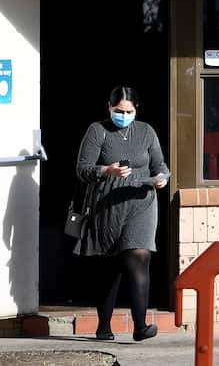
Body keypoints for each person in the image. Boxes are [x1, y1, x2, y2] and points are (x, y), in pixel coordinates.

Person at [74, 86, 169, 342]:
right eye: (119, 111)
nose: (124, 115)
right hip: (108, 204)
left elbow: (160, 165)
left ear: (136, 110)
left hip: (141, 201)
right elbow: (82, 169)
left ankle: (140, 326)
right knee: (110, 265)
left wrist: (162, 178)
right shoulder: (98, 130)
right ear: (109, 107)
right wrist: (107, 171)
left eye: (129, 111)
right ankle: (104, 326)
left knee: (138, 256)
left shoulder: (146, 131)